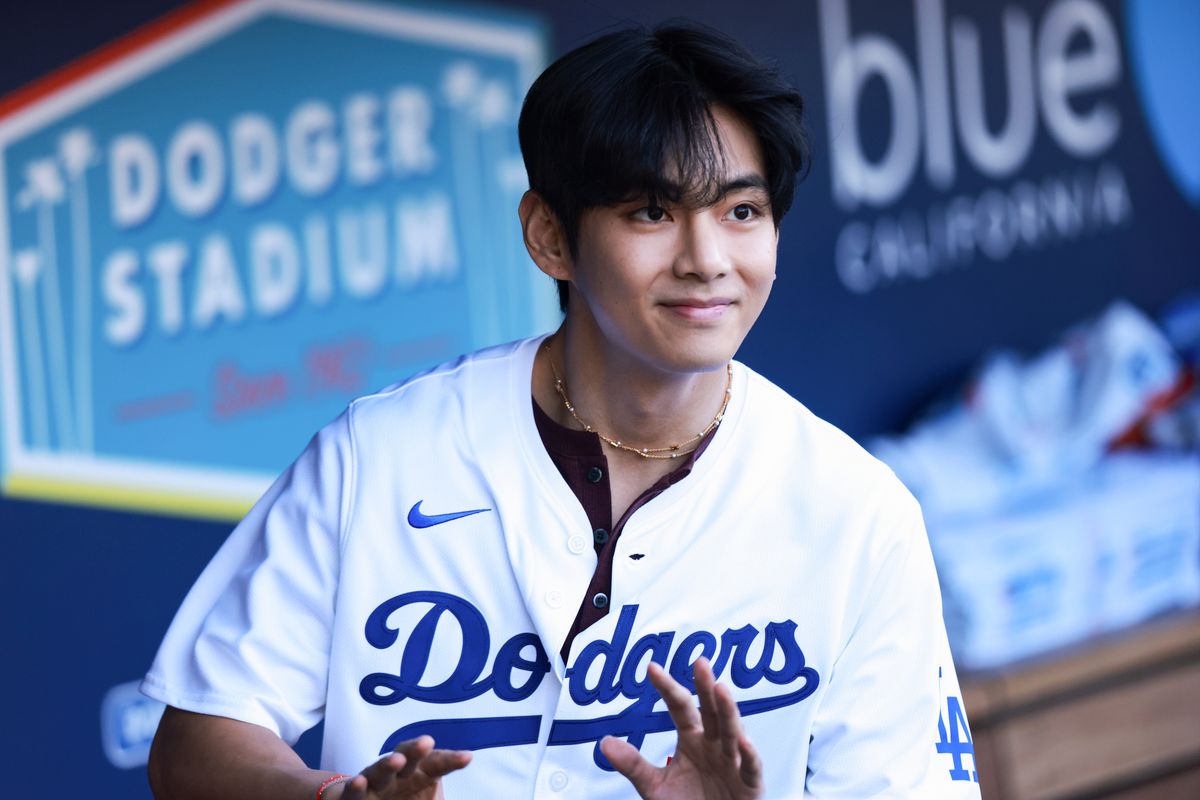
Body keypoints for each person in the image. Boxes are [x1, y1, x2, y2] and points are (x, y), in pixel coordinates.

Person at [143, 20, 982, 800]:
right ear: (549, 236)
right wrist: (327, 798)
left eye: (742, 212)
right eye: (652, 212)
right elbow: (199, 738)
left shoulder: (857, 513)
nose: (707, 260)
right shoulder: (380, 457)